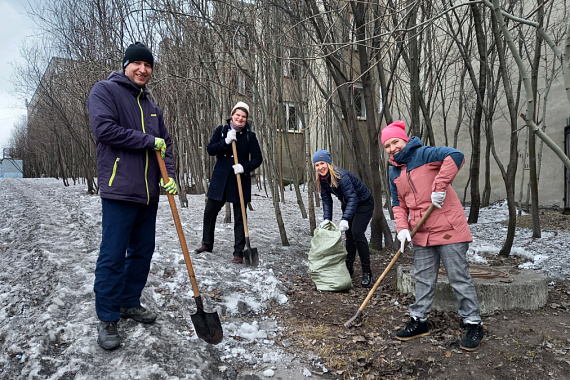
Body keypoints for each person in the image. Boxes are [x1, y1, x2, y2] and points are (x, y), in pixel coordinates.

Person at [87, 42, 178, 350]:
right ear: (126, 65)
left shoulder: (152, 106)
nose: (143, 69)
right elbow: (104, 130)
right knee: (112, 255)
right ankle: (108, 318)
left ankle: (128, 302)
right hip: (119, 189)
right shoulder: (105, 91)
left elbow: (164, 144)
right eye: (137, 64)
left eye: (148, 65)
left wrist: (171, 177)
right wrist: (147, 140)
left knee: (142, 252)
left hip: (148, 194)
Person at [381, 120, 484, 351]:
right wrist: (403, 228)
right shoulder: (394, 171)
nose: (392, 148)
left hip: (448, 229)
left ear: (404, 140)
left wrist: (439, 186)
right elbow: (398, 203)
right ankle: (419, 320)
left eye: (395, 142)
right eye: (387, 145)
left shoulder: (425, 154)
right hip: (421, 232)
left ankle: (473, 323)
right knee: (423, 278)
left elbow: (456, 155)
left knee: (458, 277)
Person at [194, 102, 263, 264]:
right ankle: (207, 243)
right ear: (232, 115)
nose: (240, 118)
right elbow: (211, 149)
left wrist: (244, 167)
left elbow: (258, 158)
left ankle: (238, 252)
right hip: (220, 179)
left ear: (246, 119)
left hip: (239, 180)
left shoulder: (249, 136)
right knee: (210, 212)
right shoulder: (221, 130)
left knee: (240, 217)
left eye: (243, 116)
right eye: (237, 115)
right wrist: (225, 142)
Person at [313, 149, 375, 287]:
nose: (320, 167)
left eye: (322, 163)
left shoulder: (341, 176)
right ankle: (349, 267)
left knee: (357, 233)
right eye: (317, 165)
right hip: (349, 204)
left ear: (328, 163)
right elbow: (326, 200)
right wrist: (327, 218)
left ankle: (367, 272)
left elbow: (353, 197)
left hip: (364, 203)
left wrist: (345, 218)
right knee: (349, 236)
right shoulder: (322, 179)